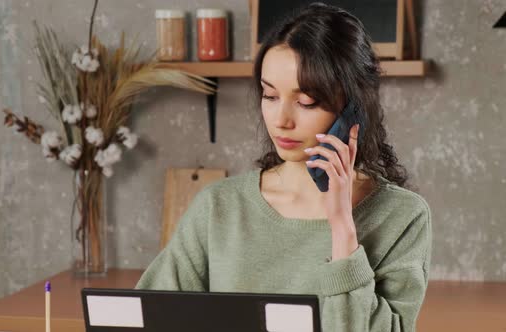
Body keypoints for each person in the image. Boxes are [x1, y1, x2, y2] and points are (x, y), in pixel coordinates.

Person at [136, 3, 432, 331]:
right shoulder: (218, 206)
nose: (281, 120)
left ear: (353, 110)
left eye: (306, 102)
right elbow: (148, 318)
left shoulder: (403, 216)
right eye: (270, 96)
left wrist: (342, 230)